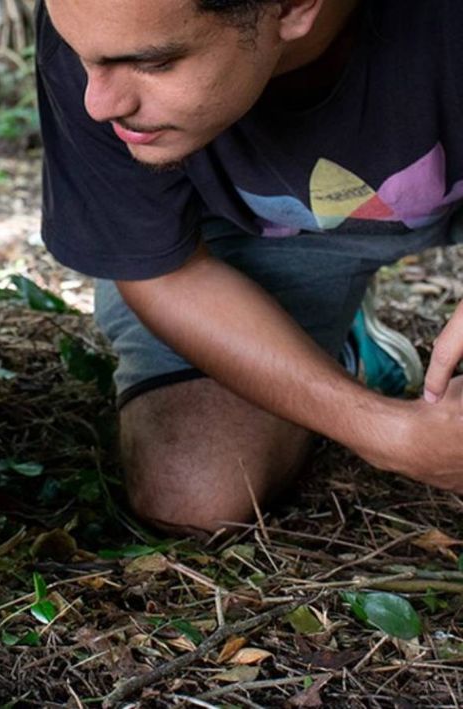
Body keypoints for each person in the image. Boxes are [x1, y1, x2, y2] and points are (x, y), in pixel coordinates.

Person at [35, 0, 463, 533]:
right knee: (192, 494)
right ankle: (336, 347)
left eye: (154, 63)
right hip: (252, 233)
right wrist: (384, 432)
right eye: (82, 58)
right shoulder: (99, 22)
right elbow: (167, 274)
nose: (98, 104)